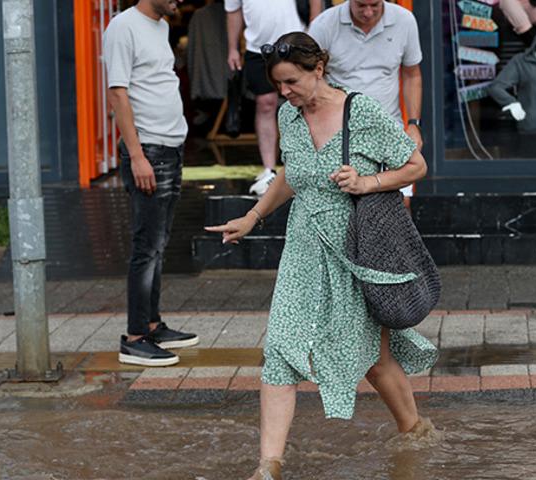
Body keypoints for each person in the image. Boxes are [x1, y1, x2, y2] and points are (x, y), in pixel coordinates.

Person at [205, 32, 439, 480]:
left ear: (318, 68)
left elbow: (416, 166)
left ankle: (415, 430)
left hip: (357, 249)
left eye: (292, 81)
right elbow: (293, 173)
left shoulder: (362, 112)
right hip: (304, 250)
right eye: (278, 85)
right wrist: (253, 216)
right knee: (280, 351)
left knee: (373, 357)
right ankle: (268, 467)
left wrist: (367, 182)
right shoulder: (292, 117)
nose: (286, 93)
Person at [104, 0, 199, 367]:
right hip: (149, 150)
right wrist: (137, 154)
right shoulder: (122, 27)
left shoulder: (160, 26)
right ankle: (135, 337)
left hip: (170, 147)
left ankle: (152, 324)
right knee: (146, 246)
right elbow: (117, 92)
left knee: (159, 243)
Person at [308, 0, 422, 201]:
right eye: (361, 6)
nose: (368, 12)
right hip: (339, 132)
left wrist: (413, 124)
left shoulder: (404, 20)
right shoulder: (324, 24)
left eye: (374, 5)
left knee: (400, 202)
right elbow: (309, 78)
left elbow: (412, 75)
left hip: (387, 127)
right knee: (340, 201)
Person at [225, 0, 323, 196]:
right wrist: (233, 48)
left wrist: (313, 33)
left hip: (296, 45)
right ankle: (269, 168)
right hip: (258, 47)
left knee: (304, 102)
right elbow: (233, 11)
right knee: (265, 104)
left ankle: (305, 165)